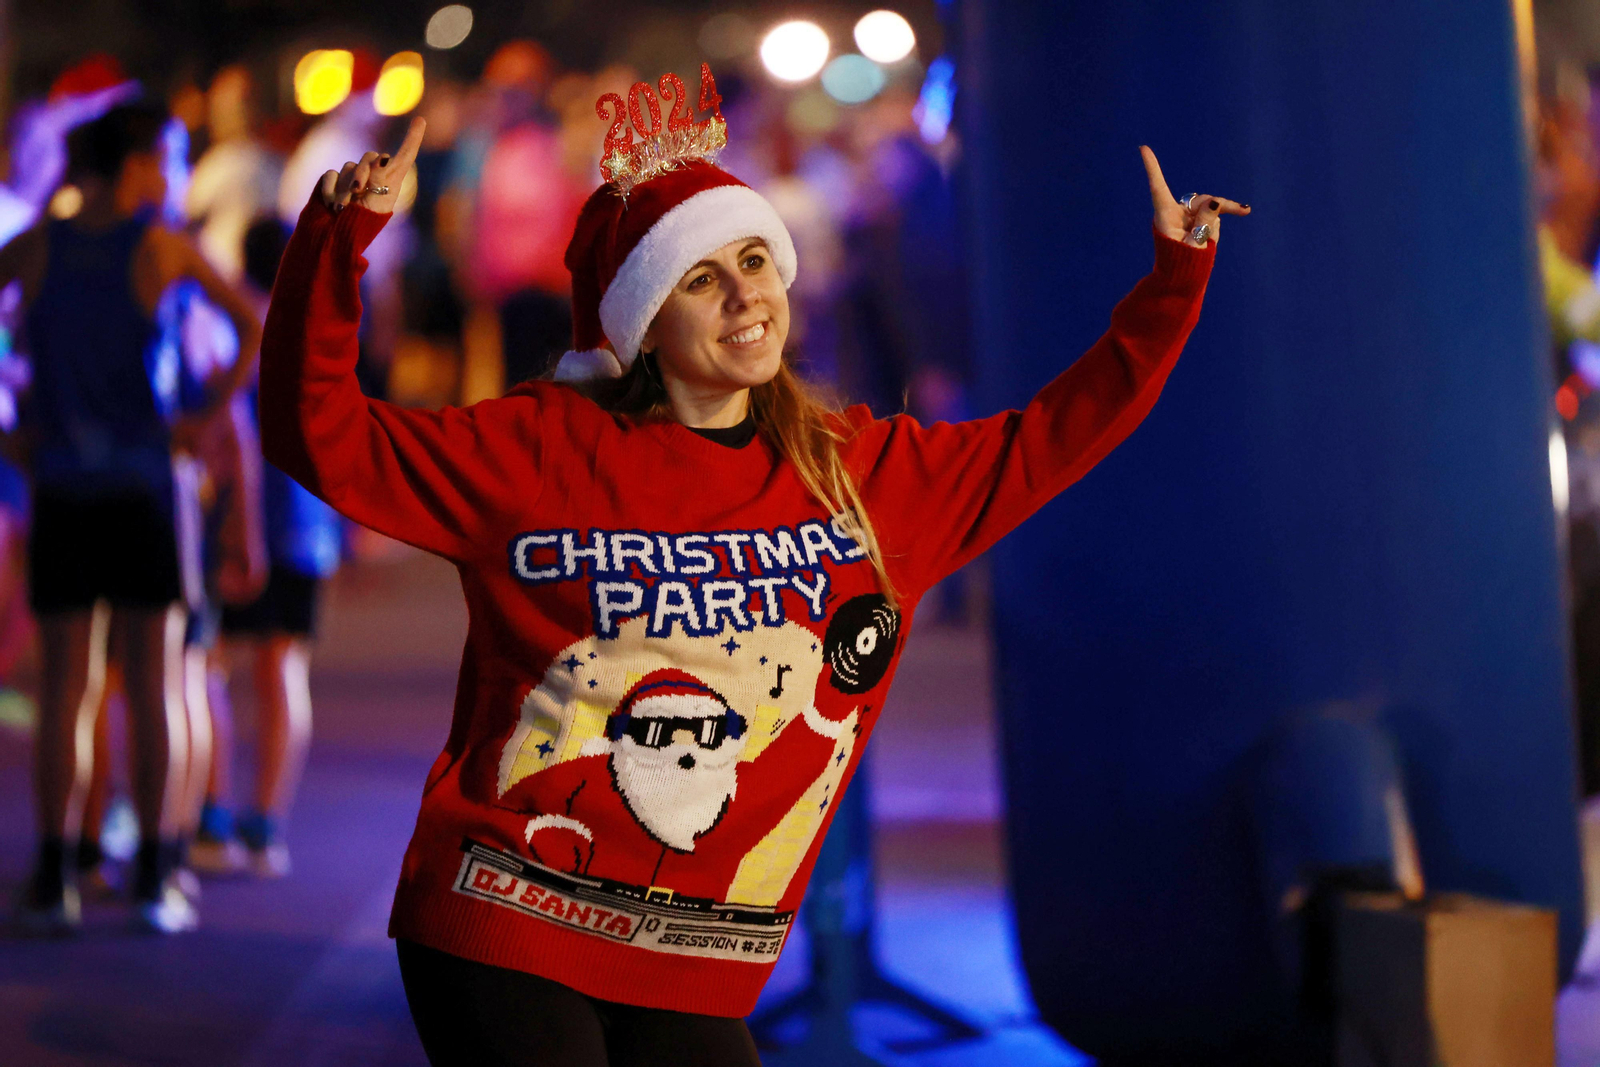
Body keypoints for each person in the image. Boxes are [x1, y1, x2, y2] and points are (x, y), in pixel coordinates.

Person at [261, 82, 1246, 1064]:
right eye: (699, 278)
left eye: (753, 260)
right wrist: (337, 243)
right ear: (641, 318)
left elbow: (1052, 438)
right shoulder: (540, 450)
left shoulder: (858, 474)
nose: (746, 295)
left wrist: (1173, 281)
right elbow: (320, 435)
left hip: (696, 953)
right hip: (508, 915)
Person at [1, 102, 261, 934]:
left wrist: (12, 434)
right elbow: (251, 323)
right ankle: (154, 871)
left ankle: (55, 872)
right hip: (146, 487)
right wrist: (205, 419)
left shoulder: (38, 247)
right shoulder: (161, 248)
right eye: (168, 157)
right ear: (140, 163)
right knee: (153, 685)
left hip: (64, 487)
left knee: (64, 688)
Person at [193, 216, 338, 878]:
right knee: (284, 669)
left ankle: (214, 812)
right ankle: (265, 823)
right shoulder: (312, 331)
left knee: (213, 664)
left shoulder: (231, 326)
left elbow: (232, 433)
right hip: (306, 523)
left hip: (237, 521)